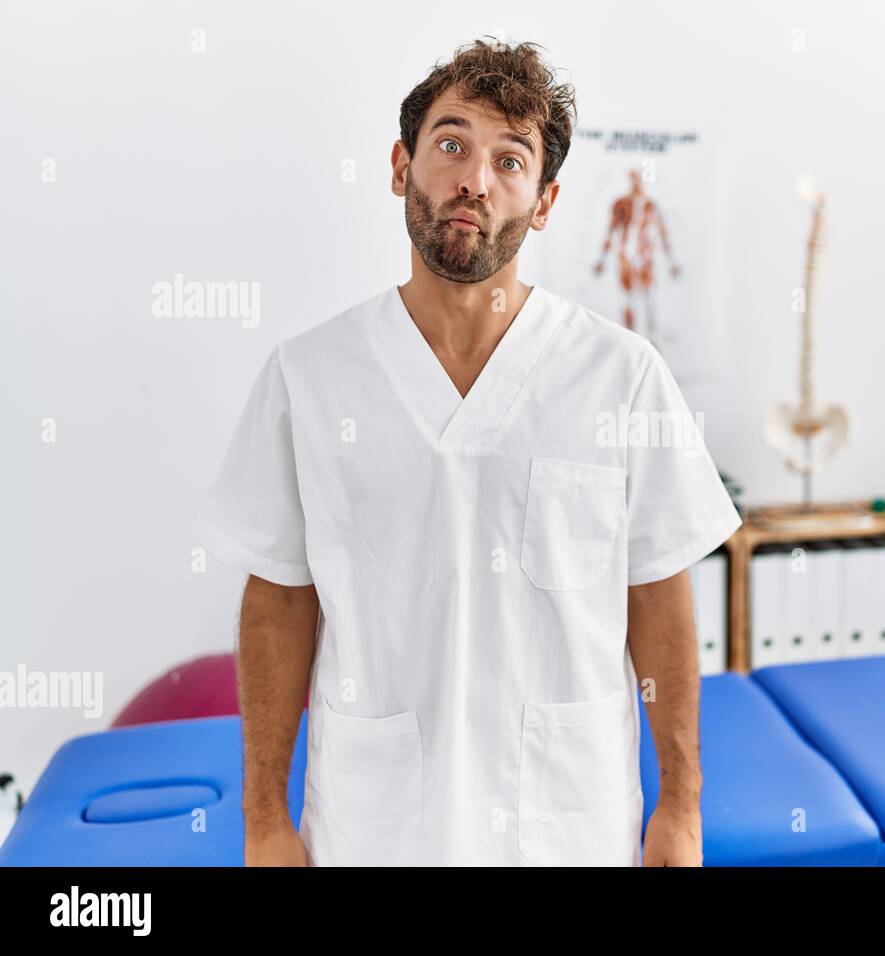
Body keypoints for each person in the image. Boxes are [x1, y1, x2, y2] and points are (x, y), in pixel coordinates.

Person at [192, 37, 740, 867]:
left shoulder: (621, 379)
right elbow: (278, 602)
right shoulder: (309, 379)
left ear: (545, 201)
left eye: (510, 160)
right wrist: (264, 818)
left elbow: (659, 598)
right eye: (451, 144)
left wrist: (682, 806)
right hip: (377, 826)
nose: (475, 179)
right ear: (399, 165)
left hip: (567, 823)